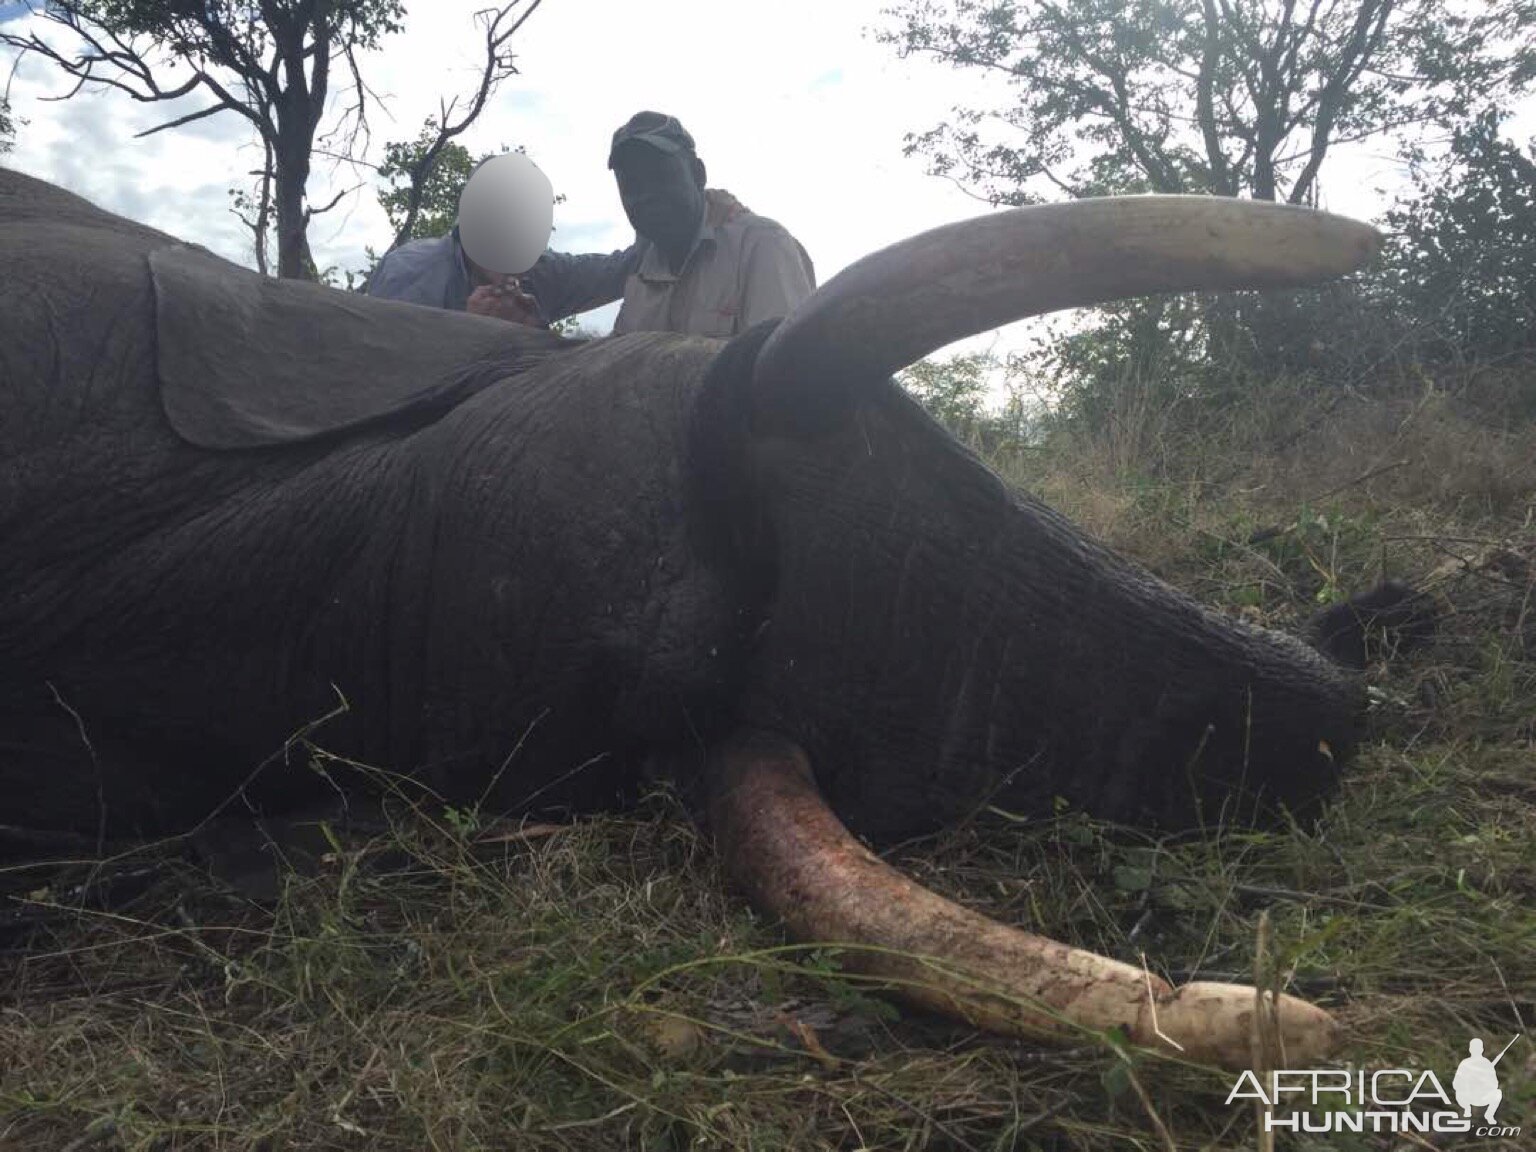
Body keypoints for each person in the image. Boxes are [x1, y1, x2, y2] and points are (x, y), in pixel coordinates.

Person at [596, 111, 816, 337]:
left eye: (660, 176)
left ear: (698, 174)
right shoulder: (641, 272)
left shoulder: (763, 245)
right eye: (631, 185)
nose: (646, 196)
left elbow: (782, 366)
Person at [363, 168, 637, 328]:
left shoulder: (543, 271)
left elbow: (618, 270)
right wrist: (469, 333)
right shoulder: (409, 274)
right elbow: (383, 377)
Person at [1453, 1038, 1503, 1124]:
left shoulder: (1486, 1064)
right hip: (1467, 1097)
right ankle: (1467, 1111)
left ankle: (1489, 1115)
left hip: (1482, 1097)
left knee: (1498, 1093)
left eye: (1478, 1048)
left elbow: (1494, 1083)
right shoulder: (1465, 1063)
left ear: (1482, 1049)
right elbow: (1456, 1083)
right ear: (1470, 1049)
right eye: (1473, 1048)